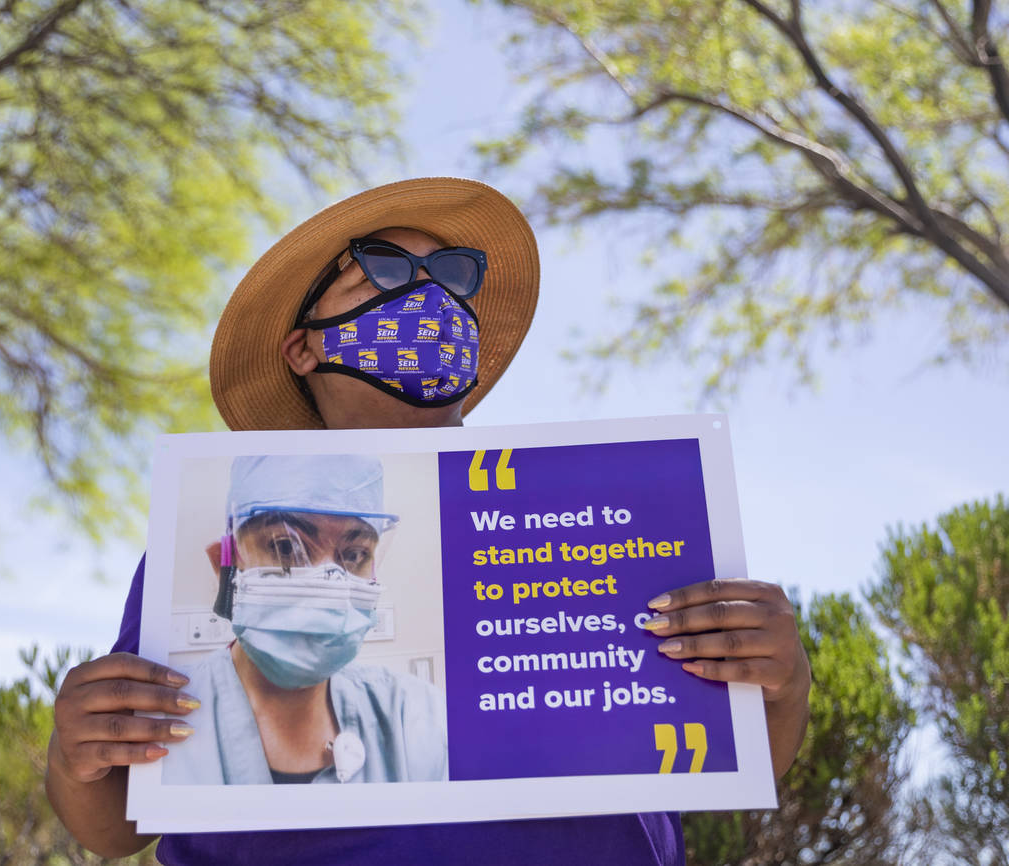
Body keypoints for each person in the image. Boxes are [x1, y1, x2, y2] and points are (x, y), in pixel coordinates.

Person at [46, 177, 812, 865]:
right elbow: (114, 823)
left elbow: (731, 761)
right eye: (381, 269)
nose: (429, 299)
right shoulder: (202, 527)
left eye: (450, 279)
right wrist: (77, 747)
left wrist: (777, 686)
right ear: (304, 348)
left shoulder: (594, 513)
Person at [163, 453, 447, 786]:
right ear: (225, 563)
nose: (326, 584)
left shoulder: (414, 714)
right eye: (285, 547)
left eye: (354, 554)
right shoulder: (166, 712)